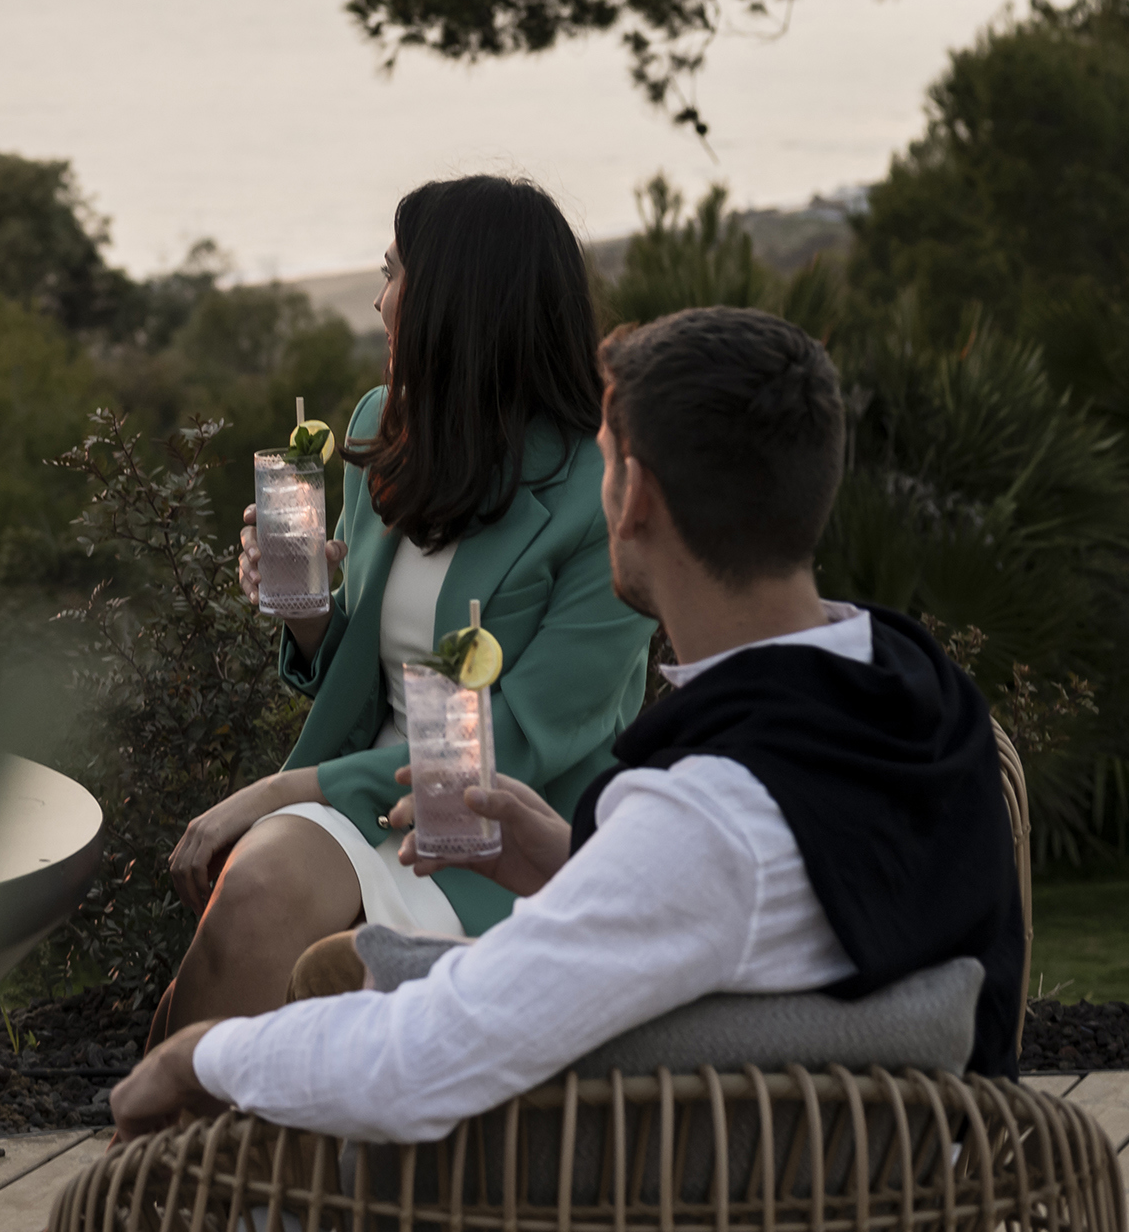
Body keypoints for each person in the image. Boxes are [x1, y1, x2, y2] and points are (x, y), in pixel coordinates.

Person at [109, 305, 1025, 1144]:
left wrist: (199, 1057)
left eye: (605, 456)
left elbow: (428, 1055)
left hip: (619, 1180)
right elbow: (752, 915)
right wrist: (574, 855)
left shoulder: (712, 813)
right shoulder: (915, 702)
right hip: (852, 1165)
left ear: (637, 499)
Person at [156, 176, 649, 1030]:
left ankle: (200, 1139)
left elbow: (506, 758)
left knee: (279, 914)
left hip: (492, 839)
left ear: (458, 302)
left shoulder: (599, 497)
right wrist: (306, 614)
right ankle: (182, 1151)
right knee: (250, 902)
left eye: (393, 275)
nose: (381, 303)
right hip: (362, 796)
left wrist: (274, 792)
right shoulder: (386, 423)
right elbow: (360, 676)